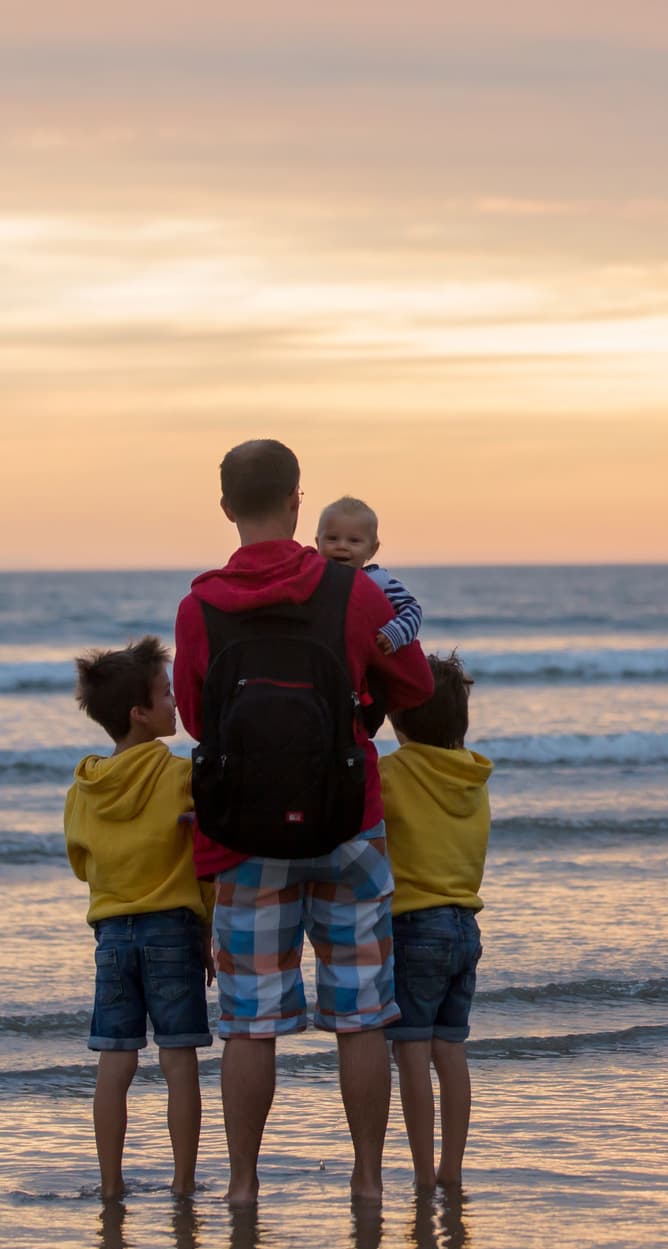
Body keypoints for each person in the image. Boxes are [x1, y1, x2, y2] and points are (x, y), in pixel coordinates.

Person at [174, 438, 434, 1206]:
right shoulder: (353, 592)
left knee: (249, 1023)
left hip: (244, 836)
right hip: (348, 825)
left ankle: (245, 1185)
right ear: (297, 503)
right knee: (361, 1012)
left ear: (226, 508)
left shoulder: (200, 605)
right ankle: (367, 1178)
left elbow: (195, 717)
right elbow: (414, 684)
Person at [64, 636, 214, 1199]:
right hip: (173, 926)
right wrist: (208, 927)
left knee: (115, 1062)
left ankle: (110, 1183)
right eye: (166, 694)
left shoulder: (85, 787)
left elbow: (82, 863)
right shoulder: (179, 775)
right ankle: (182, 1181)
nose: (176, 702)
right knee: (179, 1061)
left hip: (111, 933)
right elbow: (204, 860)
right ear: (140, 713)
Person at [379, 653, 492, 1190]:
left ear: (397, 718)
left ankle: (423, 1172)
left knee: (412, 1053)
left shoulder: (393, 772)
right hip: (465, 925)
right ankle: (452, 1169)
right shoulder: (471, 777)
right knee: (451, 1050)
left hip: (413, 926)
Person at [315, 495, 423, 657]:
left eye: (354, 541)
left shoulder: (379, 581)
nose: (342, 546)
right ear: (318, 543)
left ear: (372, 549)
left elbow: (412, 610)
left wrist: (395, 633)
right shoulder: (316, 579)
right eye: (332, 539)